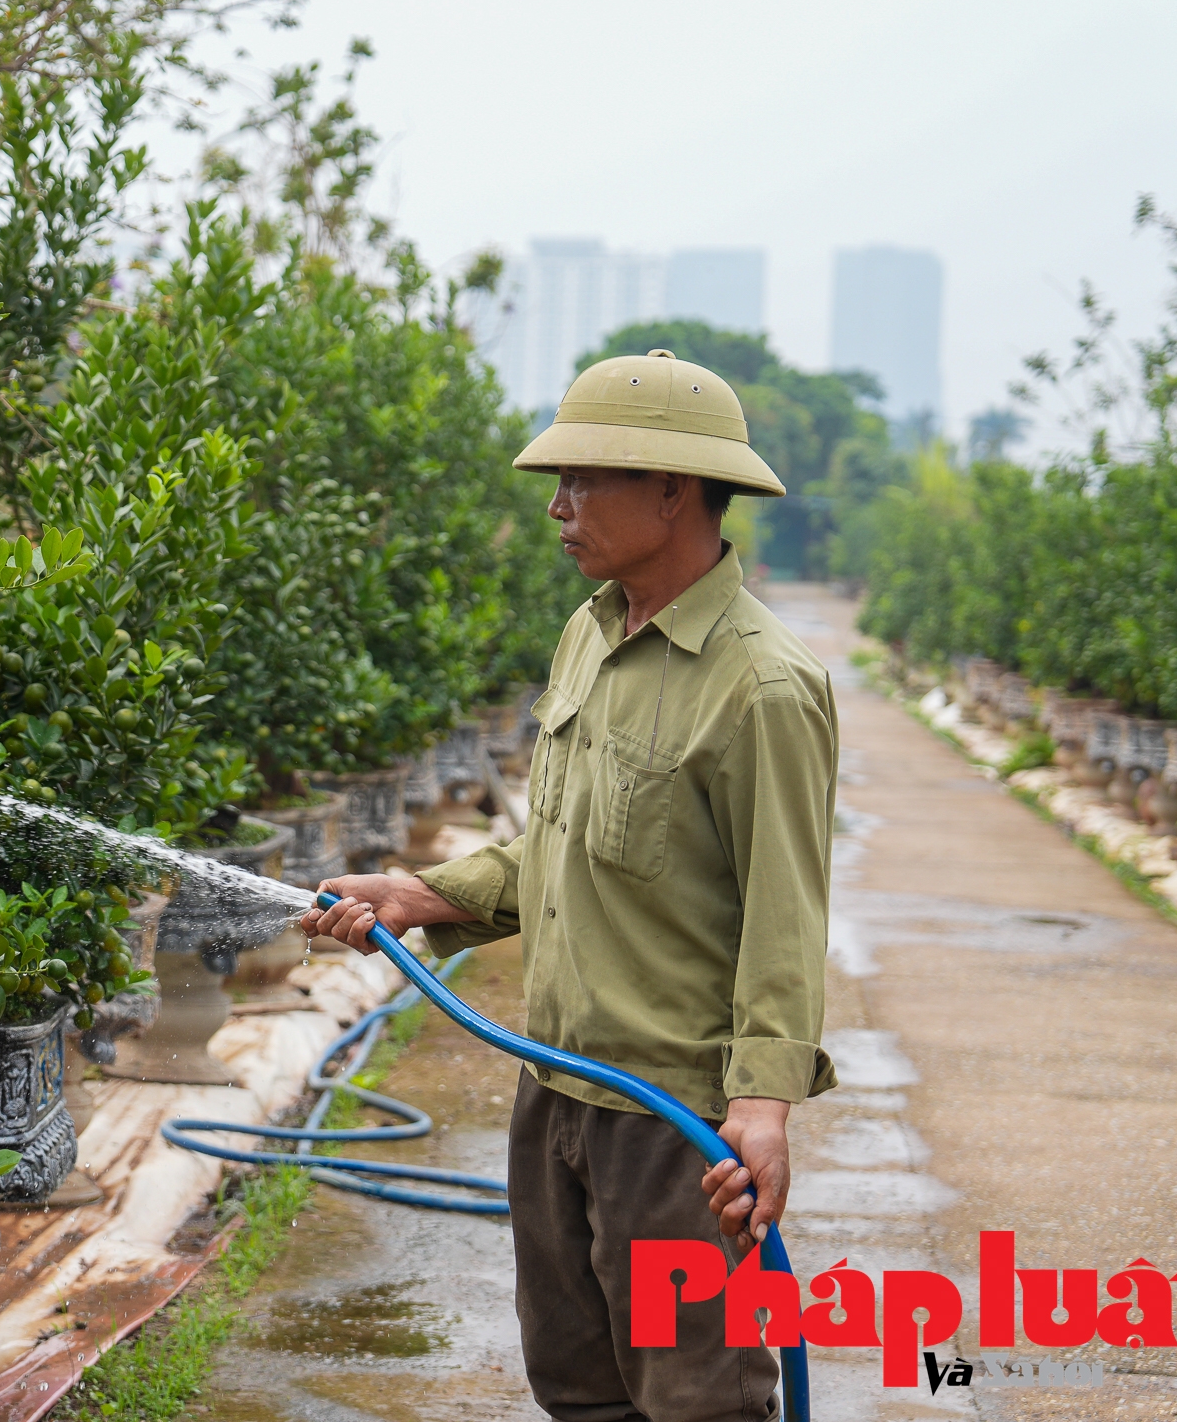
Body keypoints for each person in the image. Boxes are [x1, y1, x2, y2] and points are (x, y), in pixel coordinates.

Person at [307, 348, 836, 1422]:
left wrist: (759, 1108)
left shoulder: (762, 685)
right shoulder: (588, 637)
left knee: (696, 1397)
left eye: (582, 480)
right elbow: (554, 850)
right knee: (577, 1386)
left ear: (671, 491)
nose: (556, 506)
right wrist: (420, 895)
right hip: (551, 1085)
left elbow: (786, 916)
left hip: (667, 1121)